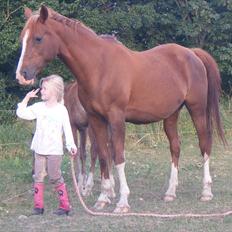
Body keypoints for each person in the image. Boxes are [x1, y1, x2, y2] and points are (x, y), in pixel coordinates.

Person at [16, 74, 77, 216]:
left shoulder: (61, 110)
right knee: (38, 176)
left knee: (55, 177)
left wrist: (71, 146)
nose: (41, 91)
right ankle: (38, 207)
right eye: (41, 88)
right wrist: (26, 99)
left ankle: (65, 206)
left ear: (54, 91)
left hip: (54, 151)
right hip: (39, 149)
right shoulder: (38, 107)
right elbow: (22, 113)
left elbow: (67, 130)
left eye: (44, 89)